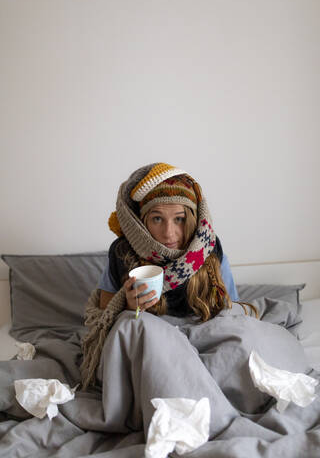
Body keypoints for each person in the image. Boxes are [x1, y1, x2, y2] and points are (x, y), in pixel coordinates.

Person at [80, 163, 256, 391]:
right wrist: (127, 304)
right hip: (151, 341)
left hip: (202, 332)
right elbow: (102, 315)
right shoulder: (123, 252)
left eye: (179, 219)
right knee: (128, 326)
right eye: (157, 219)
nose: (169, 233)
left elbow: (232, 307)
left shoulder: (208, 248)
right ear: (142, 221)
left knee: (245, 339)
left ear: (192, 218)